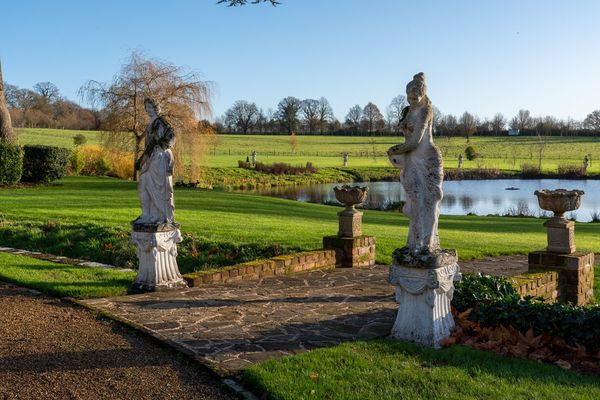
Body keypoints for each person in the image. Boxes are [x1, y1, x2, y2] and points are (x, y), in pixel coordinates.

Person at [387, 73, 443, 253]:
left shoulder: (426, 111)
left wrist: (397, 149)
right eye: (408, 97)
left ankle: (428, 243)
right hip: (412, 158)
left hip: (428, 160)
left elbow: (416, 141)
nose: (411, 101)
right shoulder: (409, 110)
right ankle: (415, 243)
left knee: (430, 202)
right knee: (414, 201)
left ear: (422, 94)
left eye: (414, 98)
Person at [133, 98, 176, 225]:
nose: (148, 110)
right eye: (146, 107)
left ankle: (160, 216)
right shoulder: (151, 124)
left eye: (150, 107)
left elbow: (172, 136)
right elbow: (148, 146)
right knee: (144, 182)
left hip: (158, 158)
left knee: (160, 188)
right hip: (150, 158)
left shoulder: (161, 122)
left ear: (156, 108)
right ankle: (146, 215)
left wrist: (162, 145)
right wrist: (141, 160)